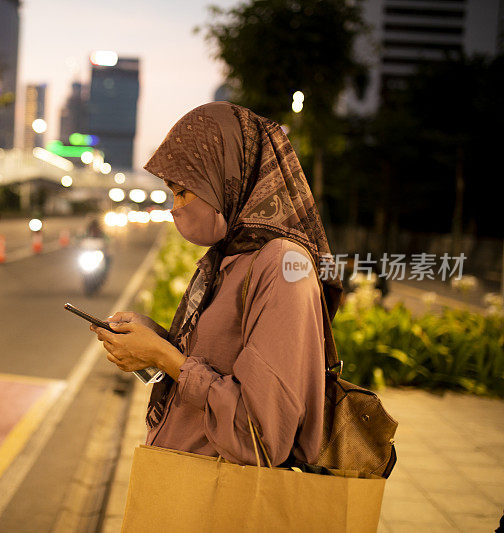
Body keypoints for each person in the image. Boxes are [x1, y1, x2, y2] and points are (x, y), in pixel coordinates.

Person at [89, 101, 342, 467]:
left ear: (225, 177)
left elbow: (258, 434)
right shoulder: (229, 257)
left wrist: (165, 357)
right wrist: (156, 341)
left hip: (218, 501)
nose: (175, 207)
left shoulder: (284, 266)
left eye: (182, 191)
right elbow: (217, 361)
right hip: (181, 485)